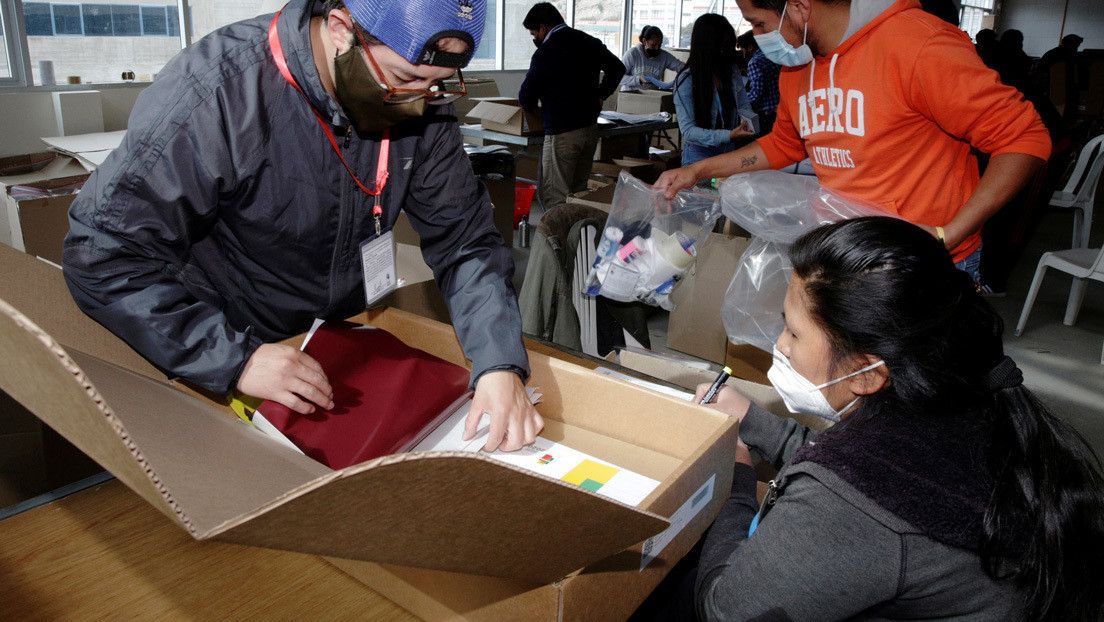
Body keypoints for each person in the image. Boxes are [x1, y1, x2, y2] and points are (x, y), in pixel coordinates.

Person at [62, 0, 543, 453]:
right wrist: (235, 359)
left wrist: (498, 362)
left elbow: (464, 241)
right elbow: (100, 253)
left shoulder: (419, 100)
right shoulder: (217, 94)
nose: (420, 102)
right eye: (404, 79)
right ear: (340, 29)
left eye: (438, 85)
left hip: (333, 345)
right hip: (221, 343)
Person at [692, 217, 1104, 620]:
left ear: (869, 373)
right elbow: (866, 469)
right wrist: (752, 419)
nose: (780, 345)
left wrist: (736, 475)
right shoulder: (961, 395)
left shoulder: (851, 509)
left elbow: (725, 610)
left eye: (794, 334)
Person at [656, 0, 1052, 284]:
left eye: (758, 23)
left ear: (799, 7)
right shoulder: (798, 65)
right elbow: (784, 144)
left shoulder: (915, 44)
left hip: (921, 264)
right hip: (843, 254)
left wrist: (949, 235)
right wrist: (697, 170)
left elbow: (1024, 138)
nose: (757, 37)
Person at [518, 3, 625, 212]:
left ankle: (557, 243)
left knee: (556, 198)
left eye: (534, 34)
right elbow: (617, 67)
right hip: (589, 131)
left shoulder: (546, 51)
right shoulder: (588, 42)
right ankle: (578, 243)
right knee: (578, 196)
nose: (535, 40)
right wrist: (602, 93)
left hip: (561, 135)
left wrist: (532, 111)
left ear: (543, 28)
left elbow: (525, 96)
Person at [673, 14, 757, 168]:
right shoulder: (686, 80)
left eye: (728, 46)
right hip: (699, 157)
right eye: (720, 46)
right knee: (700, 192)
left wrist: (752, 125)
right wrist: (729, 135)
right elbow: (689, 132)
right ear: (707, 46)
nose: (725, 52)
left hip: (729, 153)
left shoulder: (731, 72)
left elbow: (744, 107)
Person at [736, 29, 781, 135]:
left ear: (750, 47)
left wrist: (739, 98)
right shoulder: (773, 57)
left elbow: (756, 95)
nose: (743, 54)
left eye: (743, 50)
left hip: (764, 116)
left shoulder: (755, 62)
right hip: (777, 113)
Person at [619, 25, 685, 91]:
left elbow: (682, 67)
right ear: (644, 41)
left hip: (651, 97)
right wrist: (638, 79)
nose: (657, 48)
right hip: (630, 96)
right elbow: (618, 78)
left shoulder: (664, 56)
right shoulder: (632, 54)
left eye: (659, 45)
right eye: (653, 45)